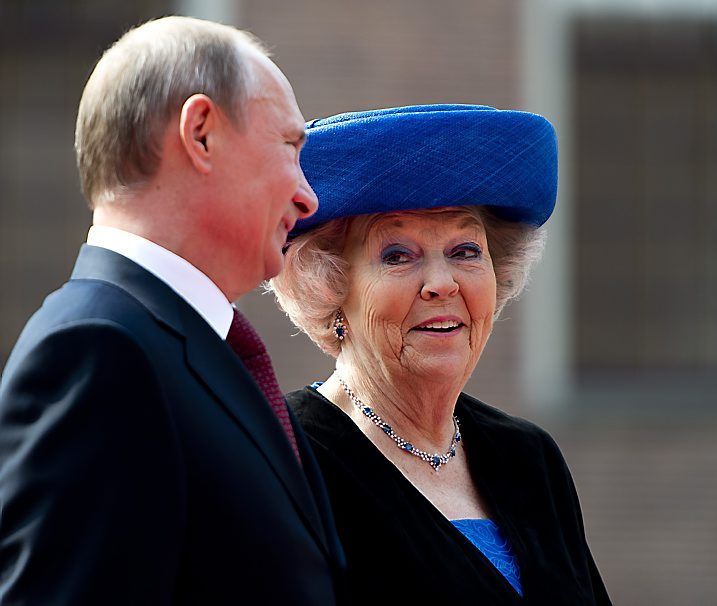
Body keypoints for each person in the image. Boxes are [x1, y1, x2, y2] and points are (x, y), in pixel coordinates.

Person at [0, 16, 344, 603]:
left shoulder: (177, 348)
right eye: (290, 147)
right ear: (201, 133)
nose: (306, 196)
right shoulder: (97, 352)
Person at [270, 104, 611, 604]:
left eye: (465, 251)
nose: (441, 283)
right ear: (331, 285)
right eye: (398, 255)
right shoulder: (286, 459)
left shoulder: (529, 459)